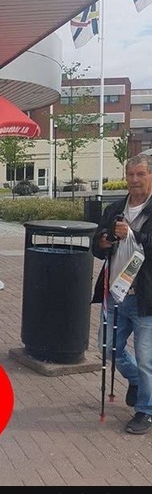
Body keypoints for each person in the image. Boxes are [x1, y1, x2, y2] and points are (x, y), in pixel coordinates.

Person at [92, 153, 152, 434]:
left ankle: (145, 411)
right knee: (107, 347)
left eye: (141, 174)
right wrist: (104, 241)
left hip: (145, 298)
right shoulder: (115, 209)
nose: (134, 180)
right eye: (130, 174)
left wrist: (133, 235)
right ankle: (136, 381)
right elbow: (97, 247)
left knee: (146, 358)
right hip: (115, 294)